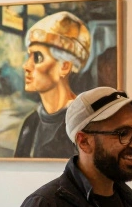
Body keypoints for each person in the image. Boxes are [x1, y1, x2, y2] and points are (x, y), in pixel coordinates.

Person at [14, 11, 90, 158]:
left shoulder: (81, 123)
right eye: (28, 56)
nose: (26, 66)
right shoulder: (31, 123)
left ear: (64, 67)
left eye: (37, 57)